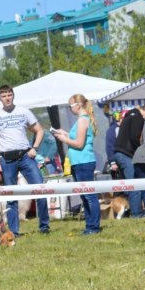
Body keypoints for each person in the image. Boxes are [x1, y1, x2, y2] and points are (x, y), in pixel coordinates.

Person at [0, 84, 49, 236]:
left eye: (9, 95)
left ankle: (44, 227)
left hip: (26, 156)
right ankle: (14, 231)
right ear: (0, 98)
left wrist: (35, 147)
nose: (7, 98)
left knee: (40, 189)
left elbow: (40, 131)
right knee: (11, 196)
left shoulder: (24, 111)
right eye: (3, 96)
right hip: (7, 160)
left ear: (13, 96)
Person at [52, 94, 101, 234]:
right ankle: (90, 225)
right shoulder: (82, 120)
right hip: (80, 162)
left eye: (70, 105)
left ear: (78, 105)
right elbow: (78, 138)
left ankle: (93, 227)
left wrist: (64, 139)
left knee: (89, 196)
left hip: (83, 161)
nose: (69, 108)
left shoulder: (82, 120)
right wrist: (65, 134)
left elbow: (79, 144)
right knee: (85, 196)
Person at [110, 102, 145, 217]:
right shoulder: (139, 118)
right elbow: (134, 137)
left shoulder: (129, 115)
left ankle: (128, 212)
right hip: (125, 154)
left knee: (128, 186)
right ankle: (137, 215)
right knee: (135, 186)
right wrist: (140, 150)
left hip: (118, 153)